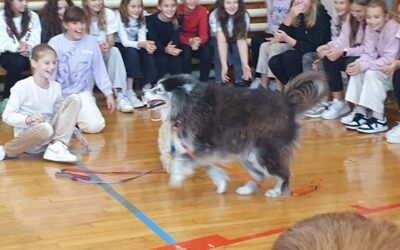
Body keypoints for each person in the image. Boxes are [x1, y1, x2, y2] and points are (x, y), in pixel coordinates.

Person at [0, 44, 81, 163]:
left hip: (50, 135)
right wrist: (28, 119)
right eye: (47, 63)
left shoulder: (56, 87)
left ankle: (57, 146)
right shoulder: (22, 86)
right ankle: (6, 150)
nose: (52, 67)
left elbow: (60, 114)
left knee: (75, 98)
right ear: (34, 63)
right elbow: (7, 116)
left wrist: (74, 131)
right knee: (46, 128)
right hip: (33, 136)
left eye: (54, 62)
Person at [48, 6, 115, 134]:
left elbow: (99, 70)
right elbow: (50, 76)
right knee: (52, 129)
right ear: (65, 25)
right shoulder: (55, 43)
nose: (79, 28)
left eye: (82, 23)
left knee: (96, 126)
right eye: (74, 23)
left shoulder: (91, 42)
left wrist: (108, 93)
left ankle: (75, 117)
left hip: (81, 93)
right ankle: (70, 119)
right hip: (59, 95)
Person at [341, 0, 400, 134]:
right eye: (369, 17)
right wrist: (359, 64)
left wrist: (364, 65)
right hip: (381, 66)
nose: (372, 21)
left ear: (385, 16)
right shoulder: (369, 28)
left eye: (376, 17)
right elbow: (369, 53)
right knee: (358, 69)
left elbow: (390, 59)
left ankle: (379, 119)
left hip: (391, 69)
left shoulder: (393, 28)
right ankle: (361, 113)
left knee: (370, 73)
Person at [308, 0, 369, 119]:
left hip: (368, 58)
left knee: (351, 62)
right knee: (330, 59)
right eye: (353, 11)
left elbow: (368, 49)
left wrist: (343, 51)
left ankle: (360, 108)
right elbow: (342, 40)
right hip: (353, 54)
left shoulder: (370, 22)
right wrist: (328, 47)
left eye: (358, 11)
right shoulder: (351, 19)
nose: (355, 14)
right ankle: (339, 101)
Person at [83, 0, 142, 111]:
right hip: (89, 53)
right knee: (85, 57)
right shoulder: (81, 15)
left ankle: (120, 95)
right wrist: (95, 49)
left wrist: (107, 46)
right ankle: (88, 95)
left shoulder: (108, 13)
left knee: (114, 51)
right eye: (93, 0)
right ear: (86, 2)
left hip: (104, 51)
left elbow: (111, 39)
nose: (97, 3)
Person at [268, 0, 331, 86]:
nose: (300, 1)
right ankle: (294, 89)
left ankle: (300, 89)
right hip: (300, 49)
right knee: (274, 62)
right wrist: (290, 16)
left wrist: (287, 39)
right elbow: (279, 35)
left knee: (289, 56)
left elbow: (312, 46)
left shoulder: (320, 14)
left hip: (317, 51)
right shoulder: (297, 14)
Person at [0, 0, 41, 115]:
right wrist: (18, 47)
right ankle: (8, 100)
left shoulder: (33, 16)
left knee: (36, 61)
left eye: (26, 0)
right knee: (17, 60)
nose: (25, 3)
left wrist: (28, 47)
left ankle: (10, 99)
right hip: (7, 54)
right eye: (20, 0)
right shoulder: (1, 17)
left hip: (29, 53)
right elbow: (2, 43)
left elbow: (35, 39)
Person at [115, 0, 158, 95]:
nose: (137, 10)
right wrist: (142, 44)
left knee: (148, 52)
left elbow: (142, 39)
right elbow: (125, 42)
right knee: (132, 52)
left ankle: (147, 88)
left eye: (139, 7)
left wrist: (147, 46)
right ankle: (129, 90)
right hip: (120, 46)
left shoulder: (141, 18)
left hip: (135, 45)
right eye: (133, 7)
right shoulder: (118, 16)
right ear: (125, 7)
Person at [209, 0, 252, 86]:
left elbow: (241, 40)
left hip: (234, 37)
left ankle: (240, 81)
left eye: (235, 2)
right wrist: (225, 65)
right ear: (222, 4)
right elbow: (222, 42)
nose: (232, 6)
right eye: (228, 3)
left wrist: (245, 64)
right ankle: (219, 81)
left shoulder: (244, 15)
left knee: (237, 50)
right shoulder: (215, 15)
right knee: (218, 51)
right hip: (217, 38)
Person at [251, 0, 291, 88]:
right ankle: (258, 77)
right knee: (256, 39)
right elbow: (270, 17)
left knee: (264, 43)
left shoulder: (291, 2)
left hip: (285, 34)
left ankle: (272, 79)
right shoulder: (271, 1)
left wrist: (277, 37)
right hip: (273, 32)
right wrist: (270, 29)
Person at [146, 0, 183, 80]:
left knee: (176, 60)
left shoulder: (179, 19)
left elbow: (175, 39)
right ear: (159, 7)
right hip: (156, 50)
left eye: (173, 5)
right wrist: (165, 49)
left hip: (170, 49)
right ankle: (157, 86)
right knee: (162, 60)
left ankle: (179, 86)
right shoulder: (150, 20)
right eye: (166, 6)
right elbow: (153, 40)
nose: (170, 9)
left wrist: (170, 49)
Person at [177, 0, 212, 82]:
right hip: (183, 41)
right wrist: (189, 41)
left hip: (197, 41)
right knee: (186, 53)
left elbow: (204, 34)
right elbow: (176, 33)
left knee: (206, 52)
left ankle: (204, 82)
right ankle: (187, 82)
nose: (192, 1)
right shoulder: (177, 10)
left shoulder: (202, 11)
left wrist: (198, 41)